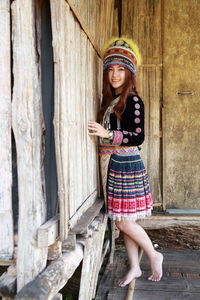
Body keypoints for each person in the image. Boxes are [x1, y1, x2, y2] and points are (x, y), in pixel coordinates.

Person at [88, 38, 163, 287]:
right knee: (125, 220)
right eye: (111, 69)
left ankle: (154, 254)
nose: (115, 74)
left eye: (121, 69)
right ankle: (134, 268)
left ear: (130, 72)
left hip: (126, 165)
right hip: (113, 165)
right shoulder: (111, 100)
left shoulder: (133, 100)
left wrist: (108, 134)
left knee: (122, 221)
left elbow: (137, 135)